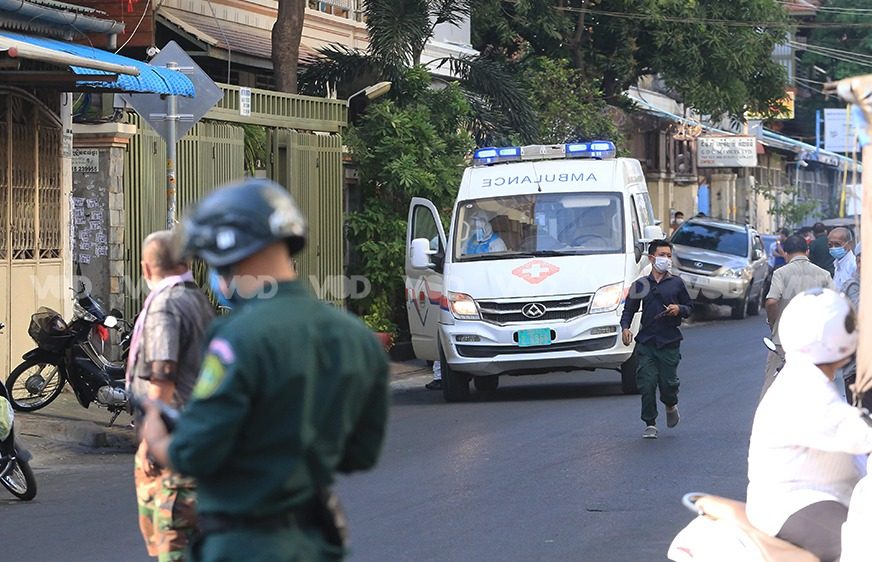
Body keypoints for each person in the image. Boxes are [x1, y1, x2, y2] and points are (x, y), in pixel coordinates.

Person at [141, 179, 390, 562]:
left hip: (242, 547)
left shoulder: (235, 337)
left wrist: (158, 438)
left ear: (229, 251)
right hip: (316, 545)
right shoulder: (356, 337)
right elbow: (360, 454)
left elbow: (197, 452)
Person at [746, 288, 872, 562]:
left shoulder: (802, 374)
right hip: (796, 504)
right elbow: (859, 434)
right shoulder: (806, 388)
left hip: (818, 495)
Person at [128, 230, 215, 562]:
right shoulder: (196, 299)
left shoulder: (165, 305)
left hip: (173, 442)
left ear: (146, 268)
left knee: (172, 544)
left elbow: (163, 375)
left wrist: (152, 438)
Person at [619, 239, 693, 439]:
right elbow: (629, 310)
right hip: (647, 342)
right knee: (647, 382)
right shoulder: (641, 285)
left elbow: (689, 307)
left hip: (669, 342)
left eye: (669, 256)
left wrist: (679, 309)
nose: (666, 260)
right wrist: (625, 328)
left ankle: (670, 404)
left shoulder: (676, 283)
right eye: (662, 255)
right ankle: (650, 423)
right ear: (651, 258)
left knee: (668, 384)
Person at [760, 235, 833, 398]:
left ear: (785, 254)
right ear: (807, 251)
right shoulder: (824, 275)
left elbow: (771, 302)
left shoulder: (781, 273)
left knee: (771, 391)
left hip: (783, 343)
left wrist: (773, 322)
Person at [827, 226, 857, 291]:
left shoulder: (853, 265)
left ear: (850, 244)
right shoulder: (837, 264)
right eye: (830, 245)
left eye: (837, 244)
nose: (833, 248)